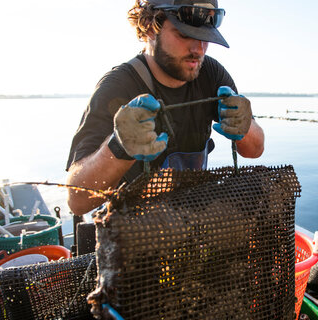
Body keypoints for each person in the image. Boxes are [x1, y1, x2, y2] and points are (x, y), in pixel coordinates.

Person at [65, 0, 264, 216]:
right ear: (151, 26)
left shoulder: (211, 74)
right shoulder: (118, 86)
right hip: (134, 228)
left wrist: (244, 126)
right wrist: (118, 147)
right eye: (184, 34)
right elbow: (77, 202)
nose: (198, 49)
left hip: (191, 220)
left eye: (205, 37)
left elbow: (255, 150)